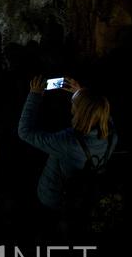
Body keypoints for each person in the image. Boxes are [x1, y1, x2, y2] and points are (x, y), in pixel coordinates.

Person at [18, 75, 116, 236]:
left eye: (74, 104)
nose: (72, 104)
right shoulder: (111, 134)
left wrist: (34, 95)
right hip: (84, 194)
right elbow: (103, 113)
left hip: (53, 198)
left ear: (80, 112)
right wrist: (79, 93)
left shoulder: (68, 143)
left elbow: (25, 132)